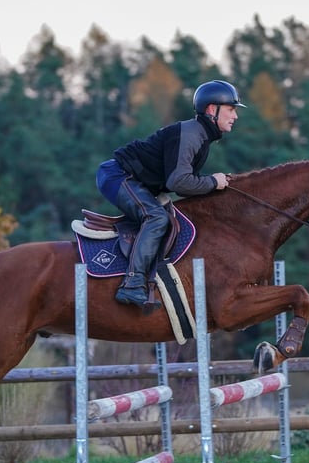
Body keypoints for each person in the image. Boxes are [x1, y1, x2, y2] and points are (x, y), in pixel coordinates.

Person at [96, 79, 246, 307]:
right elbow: (179, 182)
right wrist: (213, 182)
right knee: (155, 217)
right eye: (231, 109)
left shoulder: (201, 136)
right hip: (117, 175)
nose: (235, 116)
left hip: (136, 181)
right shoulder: (192, 134)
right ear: (211, 110)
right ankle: (133, 284)